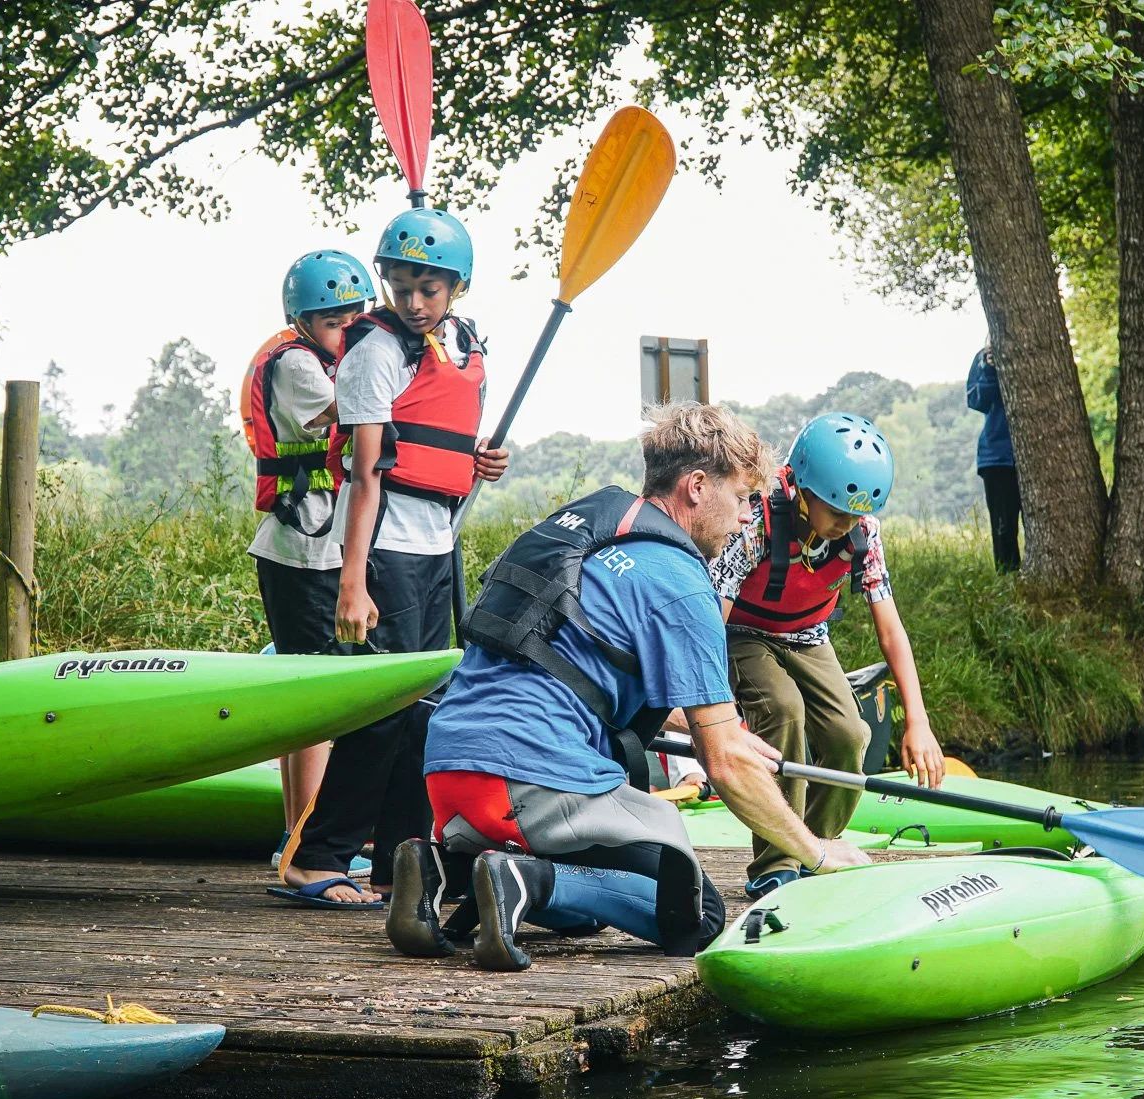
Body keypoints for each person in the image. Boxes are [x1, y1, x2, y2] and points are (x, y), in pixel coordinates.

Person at [386, 403, 873, 970]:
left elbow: (574, 671)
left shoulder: (581, 530)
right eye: (741, 498)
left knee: (594, 900)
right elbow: (726, 768)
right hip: (529, 781)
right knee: (696, 912)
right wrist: (815, 853)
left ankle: (441, 868)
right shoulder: (683, 583)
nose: (746, 517)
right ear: (696, 487)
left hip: (449, 774)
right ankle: (525, 877)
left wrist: (730, 733)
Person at [273, 207, 509, 908]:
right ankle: (314, 858)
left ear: (455, 289)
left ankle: (400, 864)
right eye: (401, 286)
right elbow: (366, 474)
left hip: (439, 542)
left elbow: (443, 440)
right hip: (386, 550)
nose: (413, 302)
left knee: (427, 711)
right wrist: (352, 581)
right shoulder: (376, 350)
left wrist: (481, 463)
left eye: (428, 289)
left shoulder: (463, 345)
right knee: (383, 710)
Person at [705, 411, 946, 898]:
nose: (847, 525)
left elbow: (891, 631)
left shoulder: (863, 534)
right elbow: (712, 620)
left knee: (848, 733)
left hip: (807, 633)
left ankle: (818, 846)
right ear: (801, 490)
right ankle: (775, 862)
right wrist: (715, 709)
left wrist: (918, 721)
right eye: (837, 512)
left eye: (856, 515)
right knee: (784, 711)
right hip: (741, 634)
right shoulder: (755, 522)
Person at [240, 249, 374, 879]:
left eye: (354, 320)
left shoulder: (320, 358)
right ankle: (309, 843)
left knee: (308, 700)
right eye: (332, 322)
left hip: (314, 547)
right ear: (304, 320)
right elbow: (356, 416)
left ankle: (298, 836)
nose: (344, 332)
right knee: (319, 702)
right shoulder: (298, 365)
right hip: (304, 549)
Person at [965, 345, 1021, 572]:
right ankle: (1009, 579)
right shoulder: (983, 357)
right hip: (997, 457)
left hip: (1036, 454)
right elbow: (977, 402)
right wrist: (990, 370)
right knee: (1003, 527)